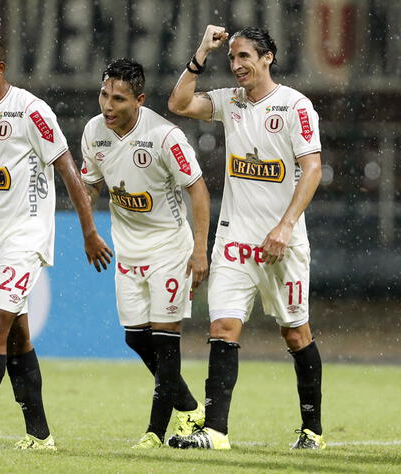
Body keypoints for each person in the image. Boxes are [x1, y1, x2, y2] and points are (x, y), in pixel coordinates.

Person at [0, 32, 112, 452]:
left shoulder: (32, 111)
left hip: (26, 237)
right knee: (16, 337)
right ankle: (40, 436)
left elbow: (68, 172)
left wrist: (88, 231)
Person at [166, 25, 324, 450]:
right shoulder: (230, 102)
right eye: (232, 59)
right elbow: (178, 102)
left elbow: (312, 169)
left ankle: (312, 431)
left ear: (268, 57)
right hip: (235, 239)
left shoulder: (295, 106)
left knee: (295, 333)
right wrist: (201, 51)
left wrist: (286, 225)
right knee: (223, 326)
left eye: (244, 57)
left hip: (282, 243)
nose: (236, 66)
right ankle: (215, 431)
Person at [81, 58, 211, 449]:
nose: (107, 105)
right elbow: (92, 185)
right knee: (136, 339)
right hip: (128, 249)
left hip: (170, 248)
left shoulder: (165, 137)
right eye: (104, 94)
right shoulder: (93, 132)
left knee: (166, 339)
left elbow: (198, 191)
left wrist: (201, 249)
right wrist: (87, 220)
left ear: (138, 100)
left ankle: (155, 432)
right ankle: (190, 408)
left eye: (118, 98)